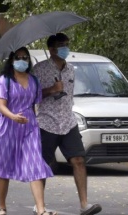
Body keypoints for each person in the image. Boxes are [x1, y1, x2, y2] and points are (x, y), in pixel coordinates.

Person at [0, 47, 57, 215]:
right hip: (7, 127)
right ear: (12, 60)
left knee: (35, 164)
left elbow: (35, 104)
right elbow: (1, 107)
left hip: (29, 127)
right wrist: (14, 117)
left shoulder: (35, 81)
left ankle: (41, 210)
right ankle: (2, 207)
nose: (22, 60)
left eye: (25, 57)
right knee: (4, 168)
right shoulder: (5, 80)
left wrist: (54, 88)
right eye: (18, 57)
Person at [32, 33, 102, 215]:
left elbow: (69, 96)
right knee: (43, 165)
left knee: (78, 160)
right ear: (51, 49)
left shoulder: (70, 69)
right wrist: (51, 90)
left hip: (68, 121)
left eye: (67, 44)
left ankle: (84, 204)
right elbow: (31, 96)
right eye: (61, 45)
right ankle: (39, 206)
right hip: (46, 122)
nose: (65, 48)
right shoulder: (39, 69)